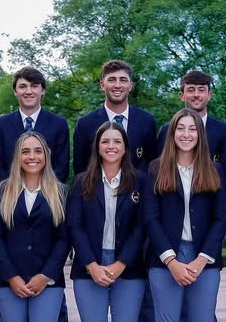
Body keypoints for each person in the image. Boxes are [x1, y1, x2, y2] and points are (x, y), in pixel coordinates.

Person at [143, 108, 226, 322]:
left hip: (204, 257)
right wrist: (171, 260)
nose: (186, 134)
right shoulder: (156, 168)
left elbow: (221, 218)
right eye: (180, 129)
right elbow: (150, 217)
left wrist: (202, 259)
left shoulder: (214, 170)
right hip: (165, 257)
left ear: (200, 134)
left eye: (192, 129)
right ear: (172, 133)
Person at [67, 122, 147, 322]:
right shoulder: (81, 182)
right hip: (89, 265)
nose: (111, 146)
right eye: (105, 141)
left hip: (129, 267)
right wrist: (91, 265)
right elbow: (75, 226)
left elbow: (142, 226)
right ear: (97, 147)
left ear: (125, 147)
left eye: (117, 141)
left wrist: (121, 263)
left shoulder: (141, 181)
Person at [0, 131, 69, 322]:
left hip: (48, 282)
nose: (32, 157)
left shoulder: (61, 193)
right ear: (18, 157)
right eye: (25, 152)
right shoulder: (2, 192)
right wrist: (11, 276)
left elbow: (64, 238)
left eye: (37, 151)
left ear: (46, 155)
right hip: (9, 281)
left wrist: (45, 275)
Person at [73, 59, 156, 175]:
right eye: (112, 80)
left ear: (130, 85)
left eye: (123, 80)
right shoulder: (85, 124)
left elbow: (151, 164)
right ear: (102, 85)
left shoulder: (147, 121)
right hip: (98, 191)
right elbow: (80, 169)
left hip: (138, 191)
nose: (117, 85)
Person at [0, 67, 70, 184]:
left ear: (42, 90)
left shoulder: (59, 124)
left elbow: (61, 167)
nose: (28, 91)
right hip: (9, 196)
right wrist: (11, 192)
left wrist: (41, 194)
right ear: (15, 91)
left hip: (47, 196)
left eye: (34, 86)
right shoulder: (0, 125)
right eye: (22, 87)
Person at [156, 71, 226, 162]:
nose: (196, 95)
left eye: (201, 90)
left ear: (209, 95)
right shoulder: (166, 131)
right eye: (191, 90)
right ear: (182, 96)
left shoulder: (225, 131)